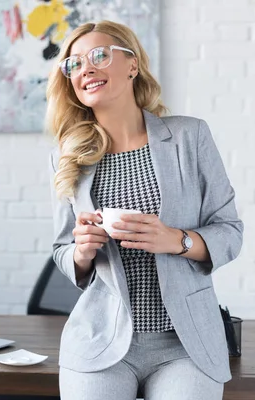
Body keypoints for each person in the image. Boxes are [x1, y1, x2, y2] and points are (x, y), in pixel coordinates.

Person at [46, 20, 244, 400]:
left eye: (99, 56)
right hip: (101, 339)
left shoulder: (190, 136)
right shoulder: (67, 157)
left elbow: (230, 231)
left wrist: (177, 240)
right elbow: (62, 251)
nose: (85, 68)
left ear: (132, 65)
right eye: (74, 64)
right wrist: (84, 250)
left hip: (185, 344)